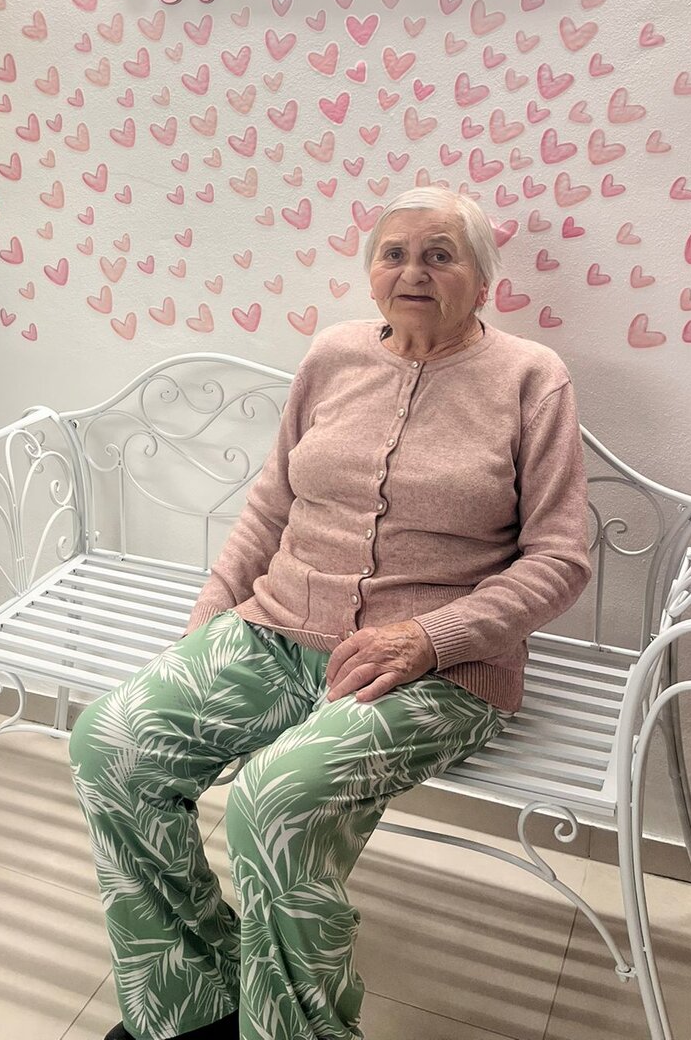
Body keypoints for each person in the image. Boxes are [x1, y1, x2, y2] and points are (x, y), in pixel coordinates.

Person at [69, 185, 592, 1040]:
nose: (414, 272)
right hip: (275, 631)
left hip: (440, 668)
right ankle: (193, 999)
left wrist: (430, 638)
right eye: (395, 254)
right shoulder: (334, 355)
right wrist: (206, 626)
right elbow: (269, 506)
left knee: (273, 800)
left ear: (482, 280)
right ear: (371, 271)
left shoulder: (531, 379)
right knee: (111, 743)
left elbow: (561, 560)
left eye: (440, 254)